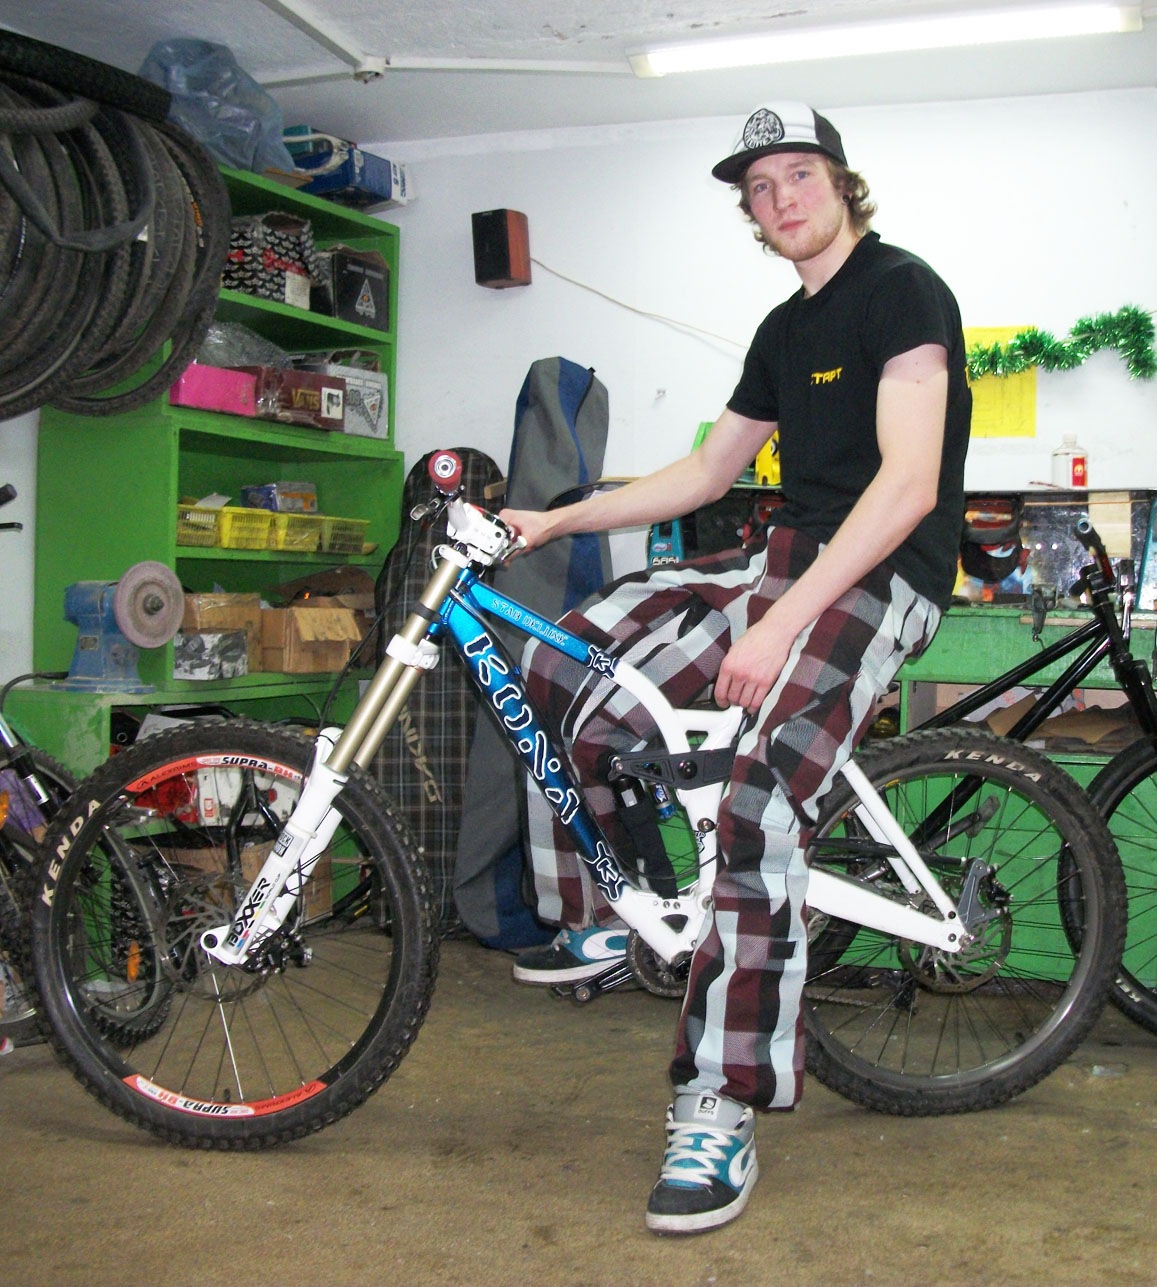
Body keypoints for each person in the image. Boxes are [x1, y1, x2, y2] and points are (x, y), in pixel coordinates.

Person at [500, 101, 972, 1235]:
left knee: (758, 808)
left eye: (798, 175)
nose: (779, 199)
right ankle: (611, 913)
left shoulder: (902, 291)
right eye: (758, 188)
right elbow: (709, 471)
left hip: (880, 577)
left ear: (841, 184)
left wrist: (778, 626)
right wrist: (554, 519)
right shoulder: (781, 328)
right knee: (561, 662)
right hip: (783, 561)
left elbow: (907, 486)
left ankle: (719, 1100)